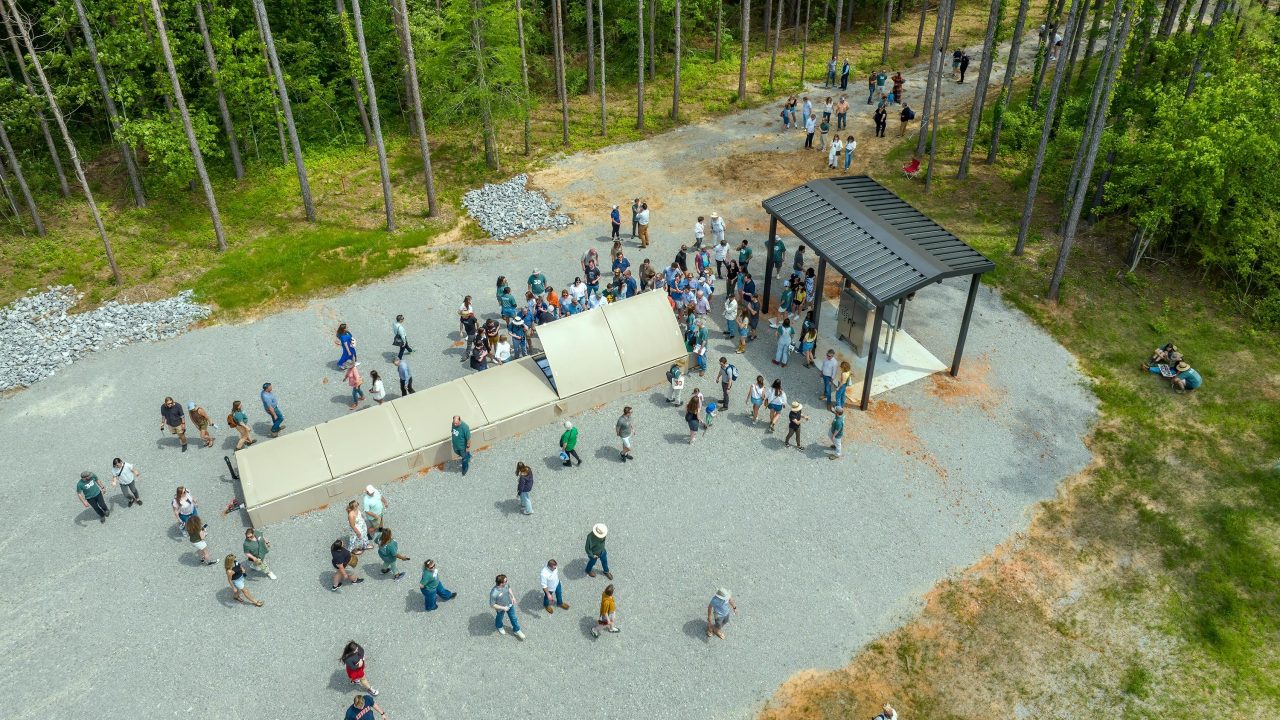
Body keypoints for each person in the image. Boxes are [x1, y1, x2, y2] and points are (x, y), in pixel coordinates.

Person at [490, 574, 525, 639]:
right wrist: (503, 608)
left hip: (509, 604)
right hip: (500, 609)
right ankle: (499, 626)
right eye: (505, 581)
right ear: (501, 583)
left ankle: (517, 630)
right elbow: (492, 605)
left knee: (513, 618)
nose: (507, 582)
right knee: (499, 618)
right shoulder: (494, 593)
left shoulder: (506, 585)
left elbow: (509, 588)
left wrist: (513, 597)